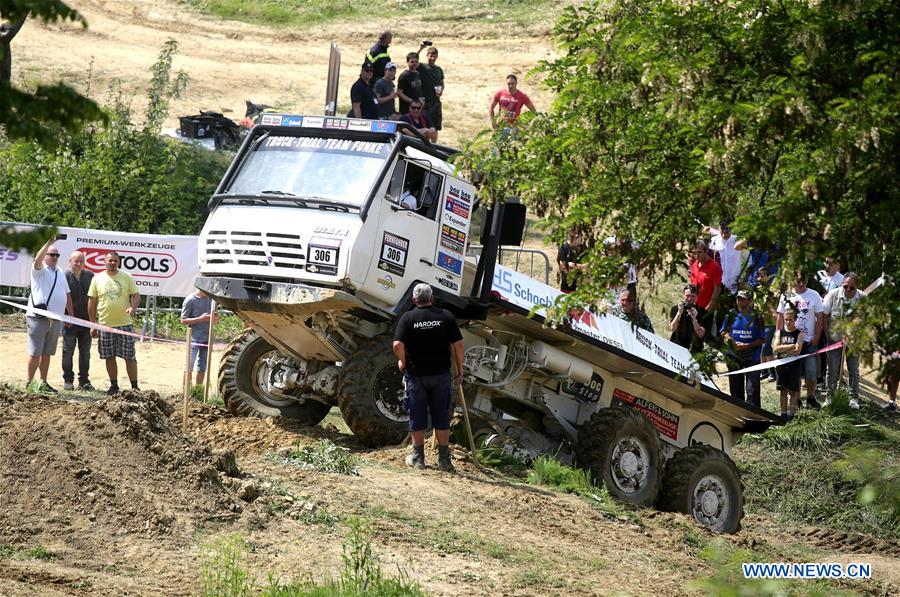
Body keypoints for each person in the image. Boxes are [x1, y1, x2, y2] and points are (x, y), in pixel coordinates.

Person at [393, 283, 465, 472]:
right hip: (441, 376)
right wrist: (460, 369)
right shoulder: (445, 317)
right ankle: (444, 460)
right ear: (432, 298)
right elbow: (458, 345)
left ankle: (418, 459)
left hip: (416, 376)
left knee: (417, 415)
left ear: (414, 300)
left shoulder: (408, 318)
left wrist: (402, 361)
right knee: (441, 416)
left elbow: (397, 345)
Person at [87, 250, 141, 395]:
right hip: (105, 324)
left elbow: (136, 295)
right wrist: (93, 324)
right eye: (110, 261)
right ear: (104, 261)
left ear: (119, 262)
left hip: (125, 324)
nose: (112, 263)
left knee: (130, 356)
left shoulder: (126, 276)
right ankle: (114, 385)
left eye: (115, 261)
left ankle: (134, 387)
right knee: (109, 356)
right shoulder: (97, 278)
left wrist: (132, 307)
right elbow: (92, 302)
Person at [26, 238, 72, 393]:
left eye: (57, 255)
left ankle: (43, 382)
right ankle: (29, 383)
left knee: (47, 353)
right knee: (35, 353)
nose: (54, 257)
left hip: (56, 319)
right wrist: (47, 243)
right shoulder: (39, 269)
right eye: (51, 254)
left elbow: (67, 293)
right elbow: (38, 259)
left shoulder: (60, 272)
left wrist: (69, 315)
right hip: (38, 318)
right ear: (45, 255)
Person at [776, 273, 825, 410]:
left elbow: (820, 317)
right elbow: (780, 317)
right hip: (790, 340)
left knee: (811, 371)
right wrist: (778, 337)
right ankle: (795, 398)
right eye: (798, 280)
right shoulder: (786, 295)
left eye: (803, 280)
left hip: (809, 341)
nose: (801, 283)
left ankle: (810, 397)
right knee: (793, 372)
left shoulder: (814, 295)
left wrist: (817, 337)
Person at [822, 272, 866, 407]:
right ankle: (830, 397)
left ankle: (853, 398)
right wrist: (827, 335)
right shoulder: (833, 295)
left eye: (852, 288)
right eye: (846, 286)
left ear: (857, 287)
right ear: (842, 284)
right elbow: (824, 316)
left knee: (853, 370)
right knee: (832, 370)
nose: (848, 290)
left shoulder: (863, 298)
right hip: (834, 340)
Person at [720, 289, 765, 407]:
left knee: (753, 390)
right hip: (733, 356)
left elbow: (762, 339)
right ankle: (736, 414)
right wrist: (730, 340)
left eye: (744, 299)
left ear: (750, 301)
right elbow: (723, 331)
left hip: (752, 357)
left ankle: (753, 418)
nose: (740, 301)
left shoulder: (757, 316)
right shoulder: (730, 314)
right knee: (735, 390)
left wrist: (746, 346)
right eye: (739, 299)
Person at [62, 250, 94, 391]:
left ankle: (84, 381)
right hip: (69, 321)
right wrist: (66, 317)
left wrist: (94, 321)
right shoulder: (63, 276)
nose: (79, 263)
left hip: (87, 322)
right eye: (76, 260)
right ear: (70, 261)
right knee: (68, 352)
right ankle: (68, 380)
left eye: (81, 260)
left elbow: (94, 299)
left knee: (85, 353)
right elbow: (60, 298)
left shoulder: (90, 276)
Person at [180, 289, 220, 386]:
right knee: (189, 366)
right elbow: (183, 320)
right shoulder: (190, 300)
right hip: (193, 339)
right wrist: (201, 319)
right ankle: (186, 392)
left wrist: (216, 318)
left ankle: (198, 392)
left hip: (207, 338)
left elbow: (216, 318)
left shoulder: (211, 300)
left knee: (202, 367)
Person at [773, 306, 804, 420]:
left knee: (794, 391)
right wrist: (790, 346)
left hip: (794, 366)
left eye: (790, 320)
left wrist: (783, 347)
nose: (788, 322)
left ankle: (792, 415)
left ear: (795, 319)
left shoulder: (799, 334)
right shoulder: (779, 332)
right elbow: (775, 348)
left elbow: (797, 351)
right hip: (781, 365)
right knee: (783, 391)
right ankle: (783, 414)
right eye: (786, 319)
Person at [704, 222, 745, 293]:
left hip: (735, 282)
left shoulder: (738, 241)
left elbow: (748, 261)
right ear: (719, 228)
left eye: (727, 229)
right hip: (718, 283)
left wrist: (744, 279)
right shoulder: (714, 240)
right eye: (722, 229)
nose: (724, 232)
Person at [669, 284, 709, 353]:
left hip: (695, 349)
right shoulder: (676, 309)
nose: (690, 299)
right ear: (683, 295)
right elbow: (672, 328)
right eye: (687, 296)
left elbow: (701, 334)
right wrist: (679, 313)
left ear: (697, 296)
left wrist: (694, 319)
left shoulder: (703, 312)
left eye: (692, 296)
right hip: (677, 345)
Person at [418, 45, 444, 140]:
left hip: (436, 103)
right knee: (425, 127)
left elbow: (441, 83)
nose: (432, 58)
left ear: (437, 56)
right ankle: (425, 149)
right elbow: (413, 58)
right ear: (427, 55)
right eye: (430, 56)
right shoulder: (422, 67)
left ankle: (434, 150)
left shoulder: (439, 69)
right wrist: (420, 48)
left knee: (436, 127)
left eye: (434, 56)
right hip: (425, 103)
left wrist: (441, 90)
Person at [689, 239, 723, 311]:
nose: (696, 255)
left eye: (699, 252)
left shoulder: (714, 266)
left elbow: (717, 289)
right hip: (695, 307)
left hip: (707, 309)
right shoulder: (695, 265)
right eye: (694, 253)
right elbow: (692, 286)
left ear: (706, 251)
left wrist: (709, 307)